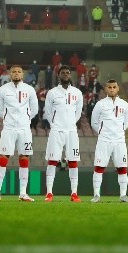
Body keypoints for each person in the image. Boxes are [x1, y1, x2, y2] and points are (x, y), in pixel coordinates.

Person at [0, 65, 38, 202]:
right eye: (14, 72)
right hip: (9, 128)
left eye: (19, 72)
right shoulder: (3, 90)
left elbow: (34, 109)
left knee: (24, 158)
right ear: (10, 74)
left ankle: (23, 193)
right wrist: (8, 119)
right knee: (3, 157)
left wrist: (25, 119)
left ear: (23, 75)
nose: (16, 74)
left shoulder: (29, 90)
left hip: (24, 129)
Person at [43, 65, 84, 202]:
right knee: (52, 161)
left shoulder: (77, 93)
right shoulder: (52, 92)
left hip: (72, 131)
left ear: (71, 75)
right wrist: (55, 124)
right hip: (56, 130)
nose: (66, 74)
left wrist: (71, 123)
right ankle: (49, 193)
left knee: (73, 161)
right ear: (58, 75)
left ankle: (74, 193)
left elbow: (78, 113)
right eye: (63, 73)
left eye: (68, 73)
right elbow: (47, 112)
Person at [90, 80, 128, 203]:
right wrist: (103, 132)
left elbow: (127, 122)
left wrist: (118, 131)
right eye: (109, 87)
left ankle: (123, 195)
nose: (112, 89)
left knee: (122, 167)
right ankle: (96, 195)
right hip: (104, 140)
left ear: (118, 88)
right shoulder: (100, 104)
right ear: (105, 89)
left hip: (119, 140)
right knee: (99, 166)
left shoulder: (124, 104)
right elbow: (94, 122)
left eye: (114, 87)